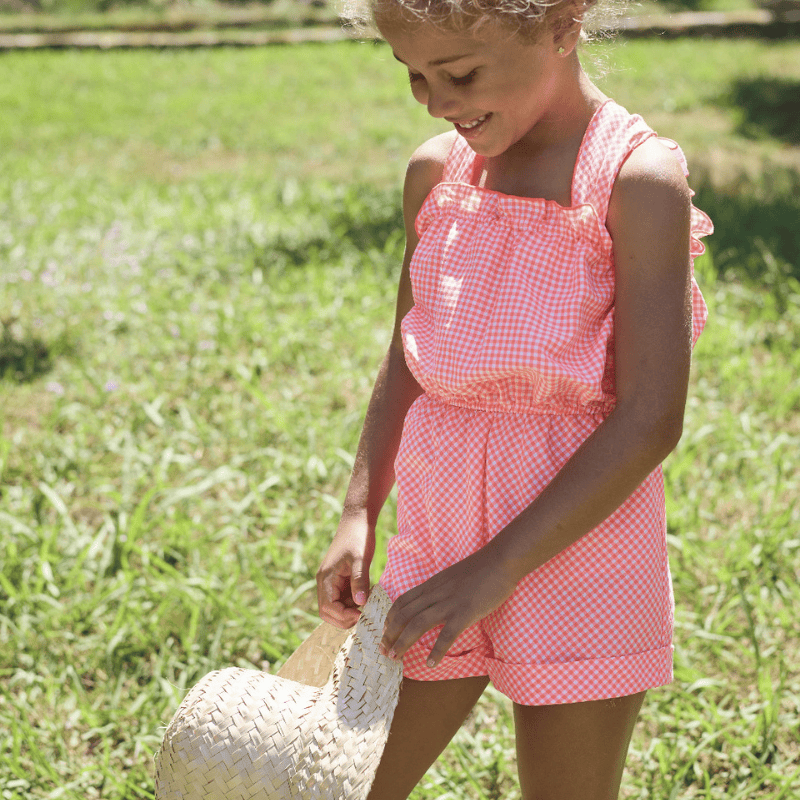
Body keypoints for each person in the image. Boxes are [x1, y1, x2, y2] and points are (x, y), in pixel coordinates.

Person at [316, 0, 712, 797]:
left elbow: (649, 418)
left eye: (458, 73)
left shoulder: (636, 182)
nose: (433, 100)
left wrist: (498, 568)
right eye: (414, 75)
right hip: (440, 533)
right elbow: (408, 354)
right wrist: (361, 507)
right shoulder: (437, 174)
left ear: (563, 28)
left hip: (580, 547)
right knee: (349, 781)